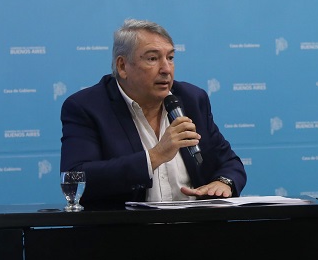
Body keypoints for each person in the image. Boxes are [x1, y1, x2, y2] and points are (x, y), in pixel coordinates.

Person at [60, 19, 246, 205]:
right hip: (127, 230)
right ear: (122, 66)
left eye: (170, 58)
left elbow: (230, 162)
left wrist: (223, 183)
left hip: (193, 227)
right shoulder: (86, 107)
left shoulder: (192, 99)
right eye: (153, 59)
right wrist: (155, 156)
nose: (166, 69)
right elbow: (76, 178)